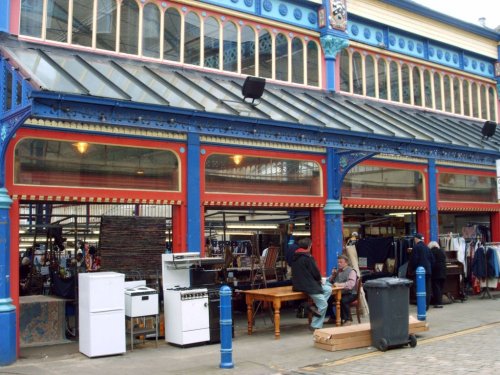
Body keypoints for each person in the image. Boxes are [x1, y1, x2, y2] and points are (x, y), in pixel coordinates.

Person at [291, 237, 332, 331]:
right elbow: (315, 272)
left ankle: (315, 308)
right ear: (309, 246)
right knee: (323, 305)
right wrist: (319, 279)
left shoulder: (295, 257)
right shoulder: (308, 257)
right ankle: (315, 325)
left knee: (328, 289)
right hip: (309, 286)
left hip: (298, 285)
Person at [327, 254, 358, 326]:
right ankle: (333, 317)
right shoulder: (338, 271)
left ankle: (348, 319)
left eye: (341, 262)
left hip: (351, 293)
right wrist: (333, 275)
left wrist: (339, 285)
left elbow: (351, 284)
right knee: (327, 299)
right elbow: (330, 281)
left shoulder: (351, 271)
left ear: (346, 263)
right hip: (341, 292)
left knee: (343, 300)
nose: (339, 264)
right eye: (338, 262)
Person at [409, 233, 434, 310]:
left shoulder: (416, 247)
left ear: (416, 239)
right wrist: (429, 268)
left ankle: (421, 304)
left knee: (418, 288)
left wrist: (412, 269)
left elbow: (414, 260)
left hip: (419, 272)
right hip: (428, 271)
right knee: (427, 288)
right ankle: (427, 305)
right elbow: (432, 260)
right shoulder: (427, 247)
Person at [428, 241, 446, 308]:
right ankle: (440, 301)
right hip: (443, 272)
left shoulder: (431, 252)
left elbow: (431, 262)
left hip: (436, 272)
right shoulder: (442, 251)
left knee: (436, 287)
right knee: (440, 287)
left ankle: (438, 303)